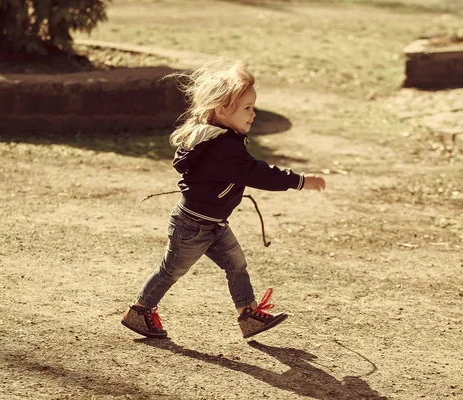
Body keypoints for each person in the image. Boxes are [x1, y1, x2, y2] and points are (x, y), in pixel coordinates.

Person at [121, 57, 326, 340]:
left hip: (214, 224)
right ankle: (140, 310)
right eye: (247, 108)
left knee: (236, 264)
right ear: (222, 109)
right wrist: (300, 181)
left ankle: (248, 314)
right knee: (170, 271)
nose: (253, 114)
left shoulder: (221, 138)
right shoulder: (221, 145)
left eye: (253, 107)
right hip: (193, 227)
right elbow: (258, 173)